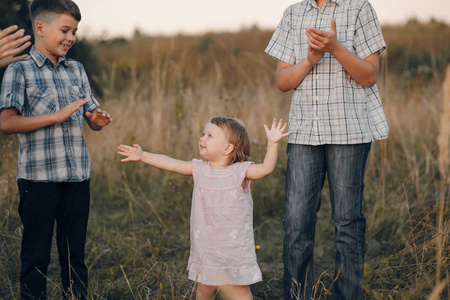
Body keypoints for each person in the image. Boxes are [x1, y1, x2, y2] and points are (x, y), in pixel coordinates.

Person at [265, 0, 388, 299]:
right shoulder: (293, 13)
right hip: (304, 133)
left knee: (347, 222)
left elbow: (370, 75)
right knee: (296, 223)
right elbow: (282, 81)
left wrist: (336, 48)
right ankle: (297, 295)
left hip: (349, 132)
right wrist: (309, 60)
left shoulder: (359, 8)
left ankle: (346, 295)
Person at [0, 0, 112, 299]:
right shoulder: (18, 70)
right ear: (40, 27)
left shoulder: (76, 69)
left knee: (74, 256)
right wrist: (55, 116)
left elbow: (92, 117)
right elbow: (7, 123)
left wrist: (98, 121)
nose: (71, 37)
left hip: (77, 178)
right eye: (64, 29)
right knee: (36, 257)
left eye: (74, 31)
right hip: (38, 181)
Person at [117, 117, 290, 300]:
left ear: (227, 148)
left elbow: (266, 169)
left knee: (239, 291)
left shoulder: (240, 171)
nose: (202, 138)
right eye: (203, 134)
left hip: (234, 248)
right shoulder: (199, 169)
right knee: (205, 289)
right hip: (206, 246)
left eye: (209, 136)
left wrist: (272, 143)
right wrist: (143, 156)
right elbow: (169, 163)